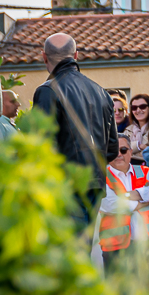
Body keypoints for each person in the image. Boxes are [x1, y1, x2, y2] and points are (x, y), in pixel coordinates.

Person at [33, 33, 119, 218]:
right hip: (95, 184)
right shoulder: (101, 93)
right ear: (76, 55)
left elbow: (40, 145)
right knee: (82, 246)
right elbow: (112, 149)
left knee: (63, 245)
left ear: (44, 56)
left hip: (64, 186)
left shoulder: (48, 91)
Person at [97, 134, 149, 287]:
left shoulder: (145, 171)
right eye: (113, 150)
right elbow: (108, 203)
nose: (119, 154)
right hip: (116, 249)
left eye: (123, 149)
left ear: (130, 152)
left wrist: (132, 195)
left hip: (148, 246)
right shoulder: (101, 176)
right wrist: (139, 203)